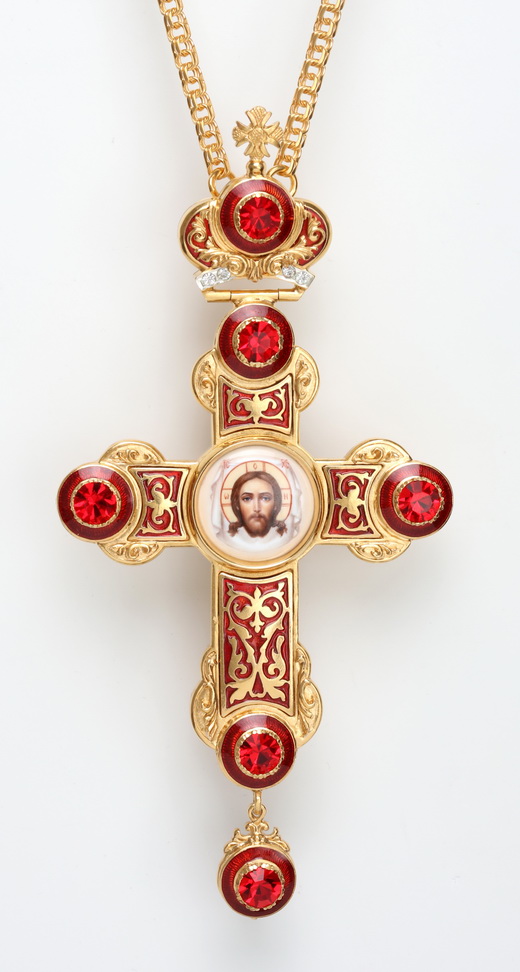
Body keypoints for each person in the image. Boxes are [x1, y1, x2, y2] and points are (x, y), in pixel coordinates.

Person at [228, 471, 287, 538]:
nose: (257, 508)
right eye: (247, 499)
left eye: (265, 498)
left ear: (276, 503)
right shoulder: (233, 538)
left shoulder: (282, 536)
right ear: (237, 504)